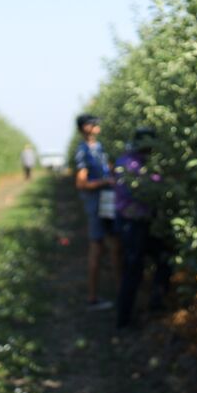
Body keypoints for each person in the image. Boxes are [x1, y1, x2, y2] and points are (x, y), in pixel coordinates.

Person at [113, 127, 172, 329]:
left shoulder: (146, 162)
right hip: (131, 223)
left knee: (164, 258)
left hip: (146, 222)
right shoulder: (128, 163)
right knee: (133, 268)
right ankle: (124, 319)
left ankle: (156, 302)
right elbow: (137, 191)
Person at [74, 114, 119, 311]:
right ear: (86, 127)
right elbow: (81, 183)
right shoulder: (83, 151)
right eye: (94, 123)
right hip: (95, 205)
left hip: (106, 203)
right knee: (97, 248)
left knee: (115, 245)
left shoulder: (97, 147)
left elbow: (106, 168)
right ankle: (92, 297)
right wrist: (104, 182)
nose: (98, 126)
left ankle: (119, 291)